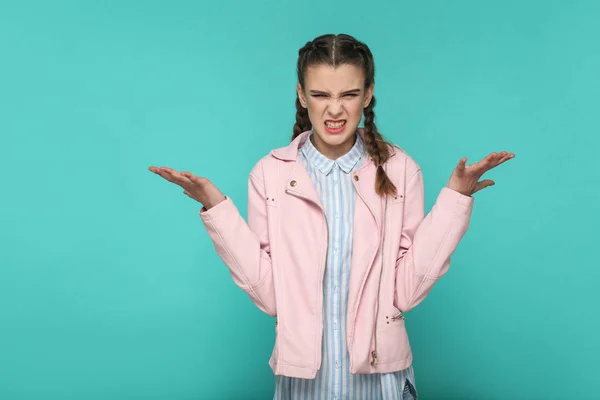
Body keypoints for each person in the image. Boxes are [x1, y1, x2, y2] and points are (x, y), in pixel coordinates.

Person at [149, 33, 514, 400]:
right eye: (321, 94)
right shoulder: (269, 174)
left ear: (368, 94)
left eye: (349, 94)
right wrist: (217, 208)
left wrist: (455, 200)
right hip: (304, 385)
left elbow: (407, 290)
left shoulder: (401, 170)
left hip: (382, 382)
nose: (334, 110)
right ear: (302, 94)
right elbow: (271, 296)